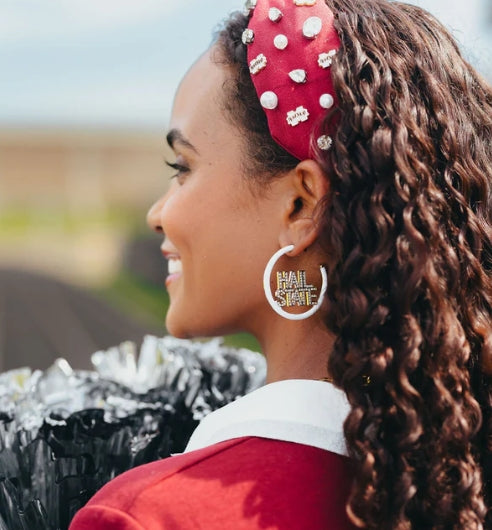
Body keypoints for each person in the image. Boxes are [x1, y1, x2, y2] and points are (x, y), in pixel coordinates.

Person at [69, 0, 492, 528]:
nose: (158, 214)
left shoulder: (149, 514)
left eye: (182, 167)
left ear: (300, 205)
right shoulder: (456, 481)